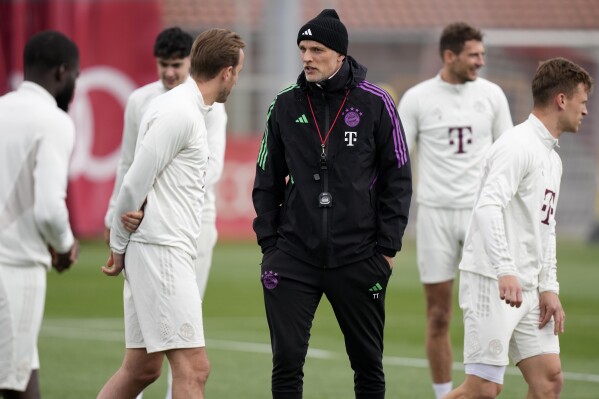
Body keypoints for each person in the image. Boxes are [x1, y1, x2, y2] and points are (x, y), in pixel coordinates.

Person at [252, 9, 412, 399]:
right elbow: (265, 180)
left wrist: (386, 249)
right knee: (287, 361)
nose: (306, 57)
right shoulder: (284, 105)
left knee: (368, 363)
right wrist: (271, 245)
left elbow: (399, 178)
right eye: (303, 49)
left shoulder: (376, 103)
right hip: (293, 256)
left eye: (316, 49)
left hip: (359, 257)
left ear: (340, 55)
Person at [97, 28, 244, 399]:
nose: (237, 80)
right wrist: (118, 245)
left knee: (141, 368)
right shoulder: (180, 112)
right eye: (238, 72)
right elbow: (133, 183)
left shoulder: (189, 109)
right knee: (194, 368)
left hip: (161, 247)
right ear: (227, 72)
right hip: (162, 250)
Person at [445, 57, 593, 399]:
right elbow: (487, 207)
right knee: (483, 389)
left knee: (549, 380)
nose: (585, 111)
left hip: (528, 288)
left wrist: (549, 287)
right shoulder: (516, 146)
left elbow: (545, 227)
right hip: (492, 282)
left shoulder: (552, 158)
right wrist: (505, 270)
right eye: (582, 102)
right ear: (561, 100)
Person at [396, 22, 513, 399]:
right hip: (435, 216)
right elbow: (396, 161)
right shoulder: (416, 98)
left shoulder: (493, 96)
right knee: (439, 315)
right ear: (450, 56)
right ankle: (443, 393)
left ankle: (485, 387)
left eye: (482, 54)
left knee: (491, 313)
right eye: (473, 55)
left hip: (482, 216)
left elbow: (508, 157)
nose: (481, 61)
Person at [0, 30, 80, 398]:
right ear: (63, 72)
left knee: (24, 370)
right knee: (12, 383)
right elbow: (49, 209)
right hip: (15, 269)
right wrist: (64, 246)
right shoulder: (53, 121)